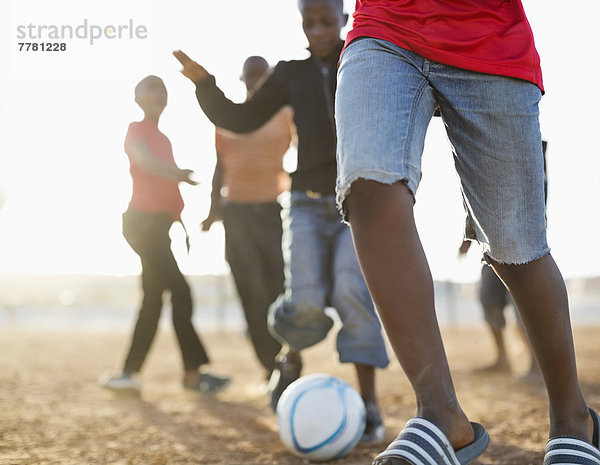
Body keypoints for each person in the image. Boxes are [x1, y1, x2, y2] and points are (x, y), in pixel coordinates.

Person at [334, 3, 600, 465]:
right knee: (367, 182)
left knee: (515, 245)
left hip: (489, 39)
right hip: (384, 27)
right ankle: (440, 414)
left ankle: (573, 417)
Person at [173, 0, 389, 443]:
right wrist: (205, 85)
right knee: (303, 296)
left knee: (352, 292)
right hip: (306, 203)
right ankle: (288, 360)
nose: (318, 30)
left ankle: (369, 403)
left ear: (344, 19)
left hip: (358, 201)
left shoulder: (366, 58)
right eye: (309, 22)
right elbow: (242, 118)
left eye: (326, 21)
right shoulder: (291, 72)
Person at [101, 75, 230, 396]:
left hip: (159, 227)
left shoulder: (164, 139)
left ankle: (129, 374)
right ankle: (192, 374)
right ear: (137, 97)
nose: (159, 94)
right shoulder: (136, 130)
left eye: (163, 89)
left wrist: (181, 226)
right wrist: (178, 174)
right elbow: (144, 162)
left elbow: (167, 192)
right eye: (151, 88)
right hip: (141, 224)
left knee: (153, 299)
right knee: (181, 293)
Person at [201, 55, 294, 381]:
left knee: (276, 289)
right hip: (236, 214)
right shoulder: (230, 119)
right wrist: (213, 209)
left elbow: (306, 146)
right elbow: (219, 165)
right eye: (250, 75)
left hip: (270, 211)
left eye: (261, 75)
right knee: (250, 292)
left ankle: (286, 360)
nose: (255, 80)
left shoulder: (284, 116)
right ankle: (269, 366)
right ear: (242, 79)